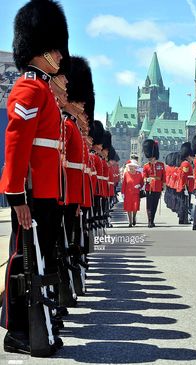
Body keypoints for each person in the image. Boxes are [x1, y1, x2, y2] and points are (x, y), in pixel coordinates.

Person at [0, 0, 68, 356]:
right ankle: (16, 329)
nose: (60, 54)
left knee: (40, 260)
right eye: (55, 46)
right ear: (40, 48)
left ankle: (37, 316)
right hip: (30, 194)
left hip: (46, 192)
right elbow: (16, 144)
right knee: (21, 260)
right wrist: (16, 196)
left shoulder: (44, 91)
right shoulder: (29, 87)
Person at [142, 139, 166, 227]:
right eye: (149, 158)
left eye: (151, 158)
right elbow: (144, 176)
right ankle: (149, 221)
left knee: (154, 205)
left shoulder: (161, 165)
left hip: (158, 187)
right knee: (149, 205)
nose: (150, 159)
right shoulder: (146, 166)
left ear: (154, 156)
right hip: (149, 187)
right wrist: (146, 180)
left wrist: (163, 186)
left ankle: (152, 219)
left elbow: (163, 176)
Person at [121, 160, 143, 227]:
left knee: (135, 207)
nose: (131, 168)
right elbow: (124, 183)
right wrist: (122, 193)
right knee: (128, 208)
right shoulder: (126, 174)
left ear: (135, 167)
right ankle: (130, 222)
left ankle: (134, 217)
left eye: (132, 166)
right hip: (128, 193)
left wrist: (139, 185)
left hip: (136, 193)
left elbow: (142, 183)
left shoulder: (139, 174)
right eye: (130, 166)